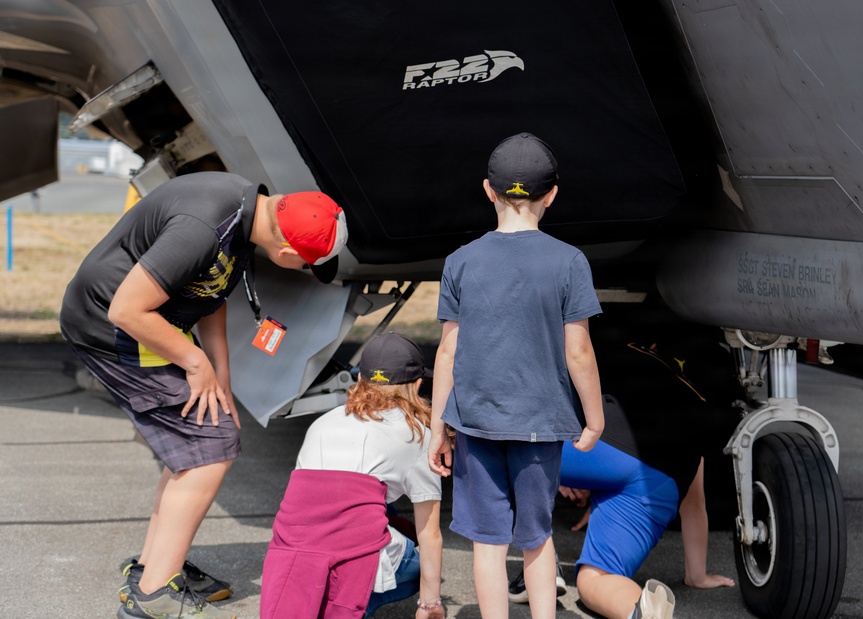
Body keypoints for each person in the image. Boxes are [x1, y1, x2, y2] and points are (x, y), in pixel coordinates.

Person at [59, 171, 348, 619]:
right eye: (309, 264)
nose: (307, 271)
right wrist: (196, 365)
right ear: (289, 252)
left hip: (149, 320)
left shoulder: (250, 214)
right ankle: (155, 595)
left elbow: (209, 295)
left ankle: (153, 568)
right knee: (210, 446)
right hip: (112, 324)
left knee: (207, 431)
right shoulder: (204, 228)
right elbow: (127, 309)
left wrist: (221, 378)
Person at [428, 132, 605, 619]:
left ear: (488, 190)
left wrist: (437, 425)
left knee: (487, 540)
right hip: (539, 423)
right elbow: (580, 352)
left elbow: (448, 350)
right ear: (551, 195)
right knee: (536, 534)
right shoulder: (569, 260)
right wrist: (593, 419)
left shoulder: (460, 261)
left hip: (476, 421)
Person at [522, 333, 738, 619]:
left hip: (600, 444)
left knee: (511, 455)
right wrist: (697, 576)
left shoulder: (628, 350)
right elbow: (695, 505)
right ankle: (638, 609)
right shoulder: (695, 408)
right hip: (662, 478)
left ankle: (538, 566)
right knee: (593, 579)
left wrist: (556, 476)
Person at [260, 332, 444, 619]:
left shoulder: (323, 423)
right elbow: (430, 533)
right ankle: (357, 606)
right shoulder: (418, 436)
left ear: (360, 380)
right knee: (421, 563)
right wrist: (430, 604)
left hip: (292, 555)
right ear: (418, 385)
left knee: (371, 497)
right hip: (350, 552)